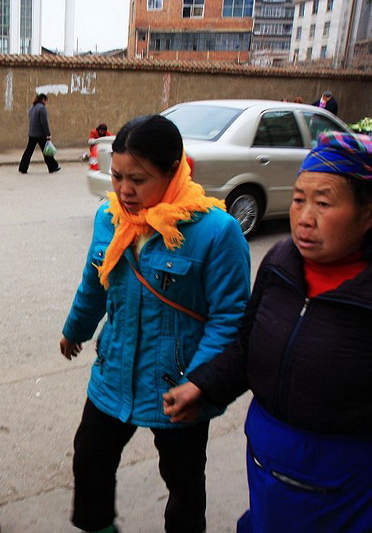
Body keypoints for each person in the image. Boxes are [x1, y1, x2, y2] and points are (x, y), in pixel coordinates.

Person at [163, 132, 372, 532]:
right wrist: (205, 385)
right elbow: (249, 340)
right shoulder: (281, 260)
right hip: (268, 462)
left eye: (324, 203)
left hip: (354, 482)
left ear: (371, 213)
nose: (304, 217)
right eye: (299, 199)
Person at [60, 115, 251, 533]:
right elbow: (95, 282)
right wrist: (75, 329)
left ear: (173, 171)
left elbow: (230, 318)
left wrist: (200, 382)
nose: (124, 190)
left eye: (138, 179)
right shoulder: (109, 218)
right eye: (116, 176)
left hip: (178, 384)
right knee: (90, 460)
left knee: (183, 482)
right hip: (113, 374)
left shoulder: (217, 231)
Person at [18, 93, 61, 174]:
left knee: (28, 151)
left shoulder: (32, 107)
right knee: (46, 151)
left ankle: (22, 167)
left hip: (32, 133)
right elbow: (44, 122)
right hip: (40, 134)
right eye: (46, 101)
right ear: (43, 99)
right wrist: (48, 133)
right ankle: (53, 167)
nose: (46, 103)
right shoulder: (42, 108)